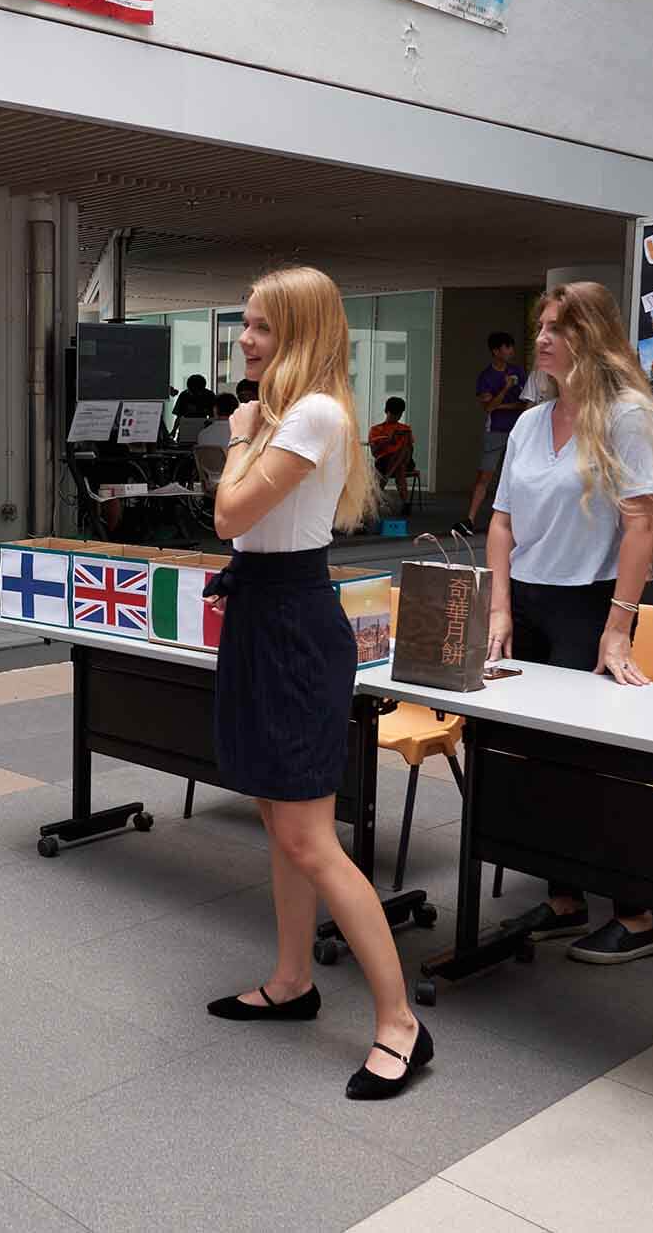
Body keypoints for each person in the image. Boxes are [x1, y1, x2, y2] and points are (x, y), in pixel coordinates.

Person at [204, 266, 430, 1101]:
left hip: (294, 629)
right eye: (245, 324)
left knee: (309, 839)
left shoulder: (312, 414)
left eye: (261, 326)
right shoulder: (290, 411)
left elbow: (229, 516)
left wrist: (237, 435)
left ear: (300, 333)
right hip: (265, 615)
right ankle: (293, 980)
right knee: (282, 825)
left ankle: (401, 1023)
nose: (245, 340)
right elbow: (249, 534)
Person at [486, 282, 653, 963]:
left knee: (594, 765)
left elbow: (641, 525)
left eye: (558, 328)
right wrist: (500, 606)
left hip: (591, 606)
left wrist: (618, 626)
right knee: (534, 761)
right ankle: (565, 897)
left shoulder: (629, 416)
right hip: (526, 603)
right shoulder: (530, 423)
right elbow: (501, 523)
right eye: (540, 325)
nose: (541, 338)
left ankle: (637, 913)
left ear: (591, 336)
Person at [452, 331, 527, 537]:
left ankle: (519, 522)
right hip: (495, 430)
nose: (511, 351)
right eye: (507, 347)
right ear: (496, 351)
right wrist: (505, 389)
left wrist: (500, 405)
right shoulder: (486, 376)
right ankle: (470, 520)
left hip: (519, 429)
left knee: (520, 475)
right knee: (485, 475)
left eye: (511, 347)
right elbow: (488, 407)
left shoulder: (519, 372)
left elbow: (524, 403)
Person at [368, 396, 416, 514]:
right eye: (393, 414)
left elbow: (409, 450)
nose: (396, 417)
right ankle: (406, 504)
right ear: (386, 411)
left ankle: (385, 480)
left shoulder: (405, 429)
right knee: (400, 468)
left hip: (404, 461)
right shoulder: (376, 430)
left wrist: (403, 442)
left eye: (399, 415)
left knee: (403, 449)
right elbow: (374, 452)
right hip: (384, 462)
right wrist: (388, 441)